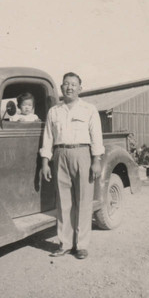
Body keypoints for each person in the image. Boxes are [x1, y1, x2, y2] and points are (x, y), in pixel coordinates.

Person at [40, 72, 104, 260]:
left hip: (82, 154)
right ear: (61, 88)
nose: (69, 87)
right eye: (66, 84)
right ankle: (65, 244)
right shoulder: (54, 111)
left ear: (80, 88)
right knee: (63, 203)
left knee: (84, 201)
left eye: (73, 84)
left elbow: (96, 136)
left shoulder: (89, 109)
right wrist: (45, 162)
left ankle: (81, 245)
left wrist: (96, 160)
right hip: (60, 155)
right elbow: (48, 138)